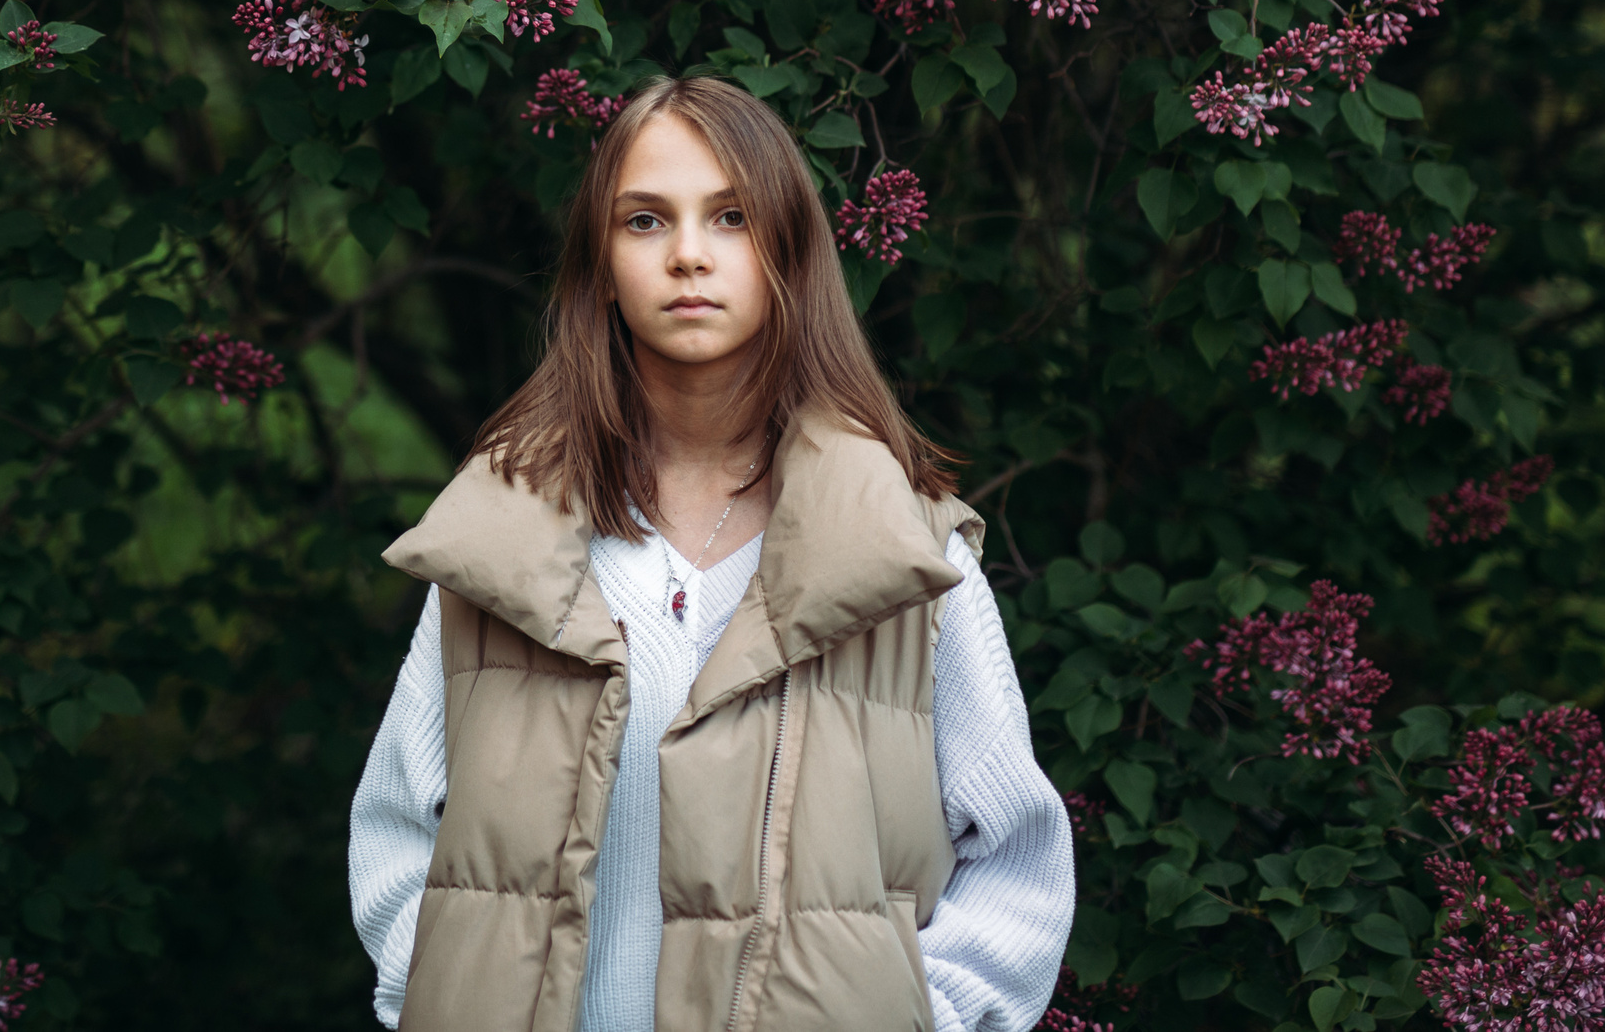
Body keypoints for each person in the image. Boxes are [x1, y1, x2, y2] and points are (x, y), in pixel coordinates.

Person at [348, 75, 1074, 1032]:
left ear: (788, 253)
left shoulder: (908, 557)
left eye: (730, 216)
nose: (688, 253)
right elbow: (399, 835)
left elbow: (1019, 863)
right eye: (645, 221)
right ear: (601, 265)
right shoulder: (503, 545)